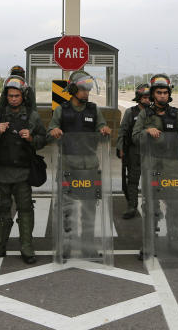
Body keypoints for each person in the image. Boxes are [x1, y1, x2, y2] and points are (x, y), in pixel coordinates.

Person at [48, 70, 112, 255]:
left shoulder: (94, 109)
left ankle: (88, 247)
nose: (86, 92)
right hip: (68, 166)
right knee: (67, 208)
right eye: (83, 89)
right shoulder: (62, 109)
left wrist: (105, 130)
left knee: (89, 209)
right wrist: (54, 132)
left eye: (88, 89)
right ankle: (65, 246)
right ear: (74, 89)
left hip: (90, 167)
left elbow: (101, 126)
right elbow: (50, 129)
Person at [0, 75, 46, 264]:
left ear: (23, 96)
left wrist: (31, 138)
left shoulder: (32, 116)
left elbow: (44, 140)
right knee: (2, 210)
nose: (13, 99)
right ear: (6, 96)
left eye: (17, 96)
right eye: (10, 95)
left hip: (22, 173)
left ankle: (27, 248)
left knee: (25, 210)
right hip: (1, 172)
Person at [132, 74, 178, 248]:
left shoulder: (177, 114)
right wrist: (147, 132)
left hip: (173, 165)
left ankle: (175, 241)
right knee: (151, 207)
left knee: (175, 205)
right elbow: (135, 137)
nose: (162, 96)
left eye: (165, 92)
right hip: (152, 165)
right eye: (159, 92)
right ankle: (149, 243)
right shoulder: (145, 115)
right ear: (153, 94)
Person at [117, 83, 151, 219]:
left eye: (149, 97)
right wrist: (120, 148)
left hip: (151, 151)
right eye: (144, 97)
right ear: (139, 97)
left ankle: (150, 206)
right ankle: (132, 206)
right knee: (132, 180)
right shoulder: (130, 112)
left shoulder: (155, 112)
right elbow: (122, 131)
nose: (147, 100)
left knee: (151, 180)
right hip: (134, 151)